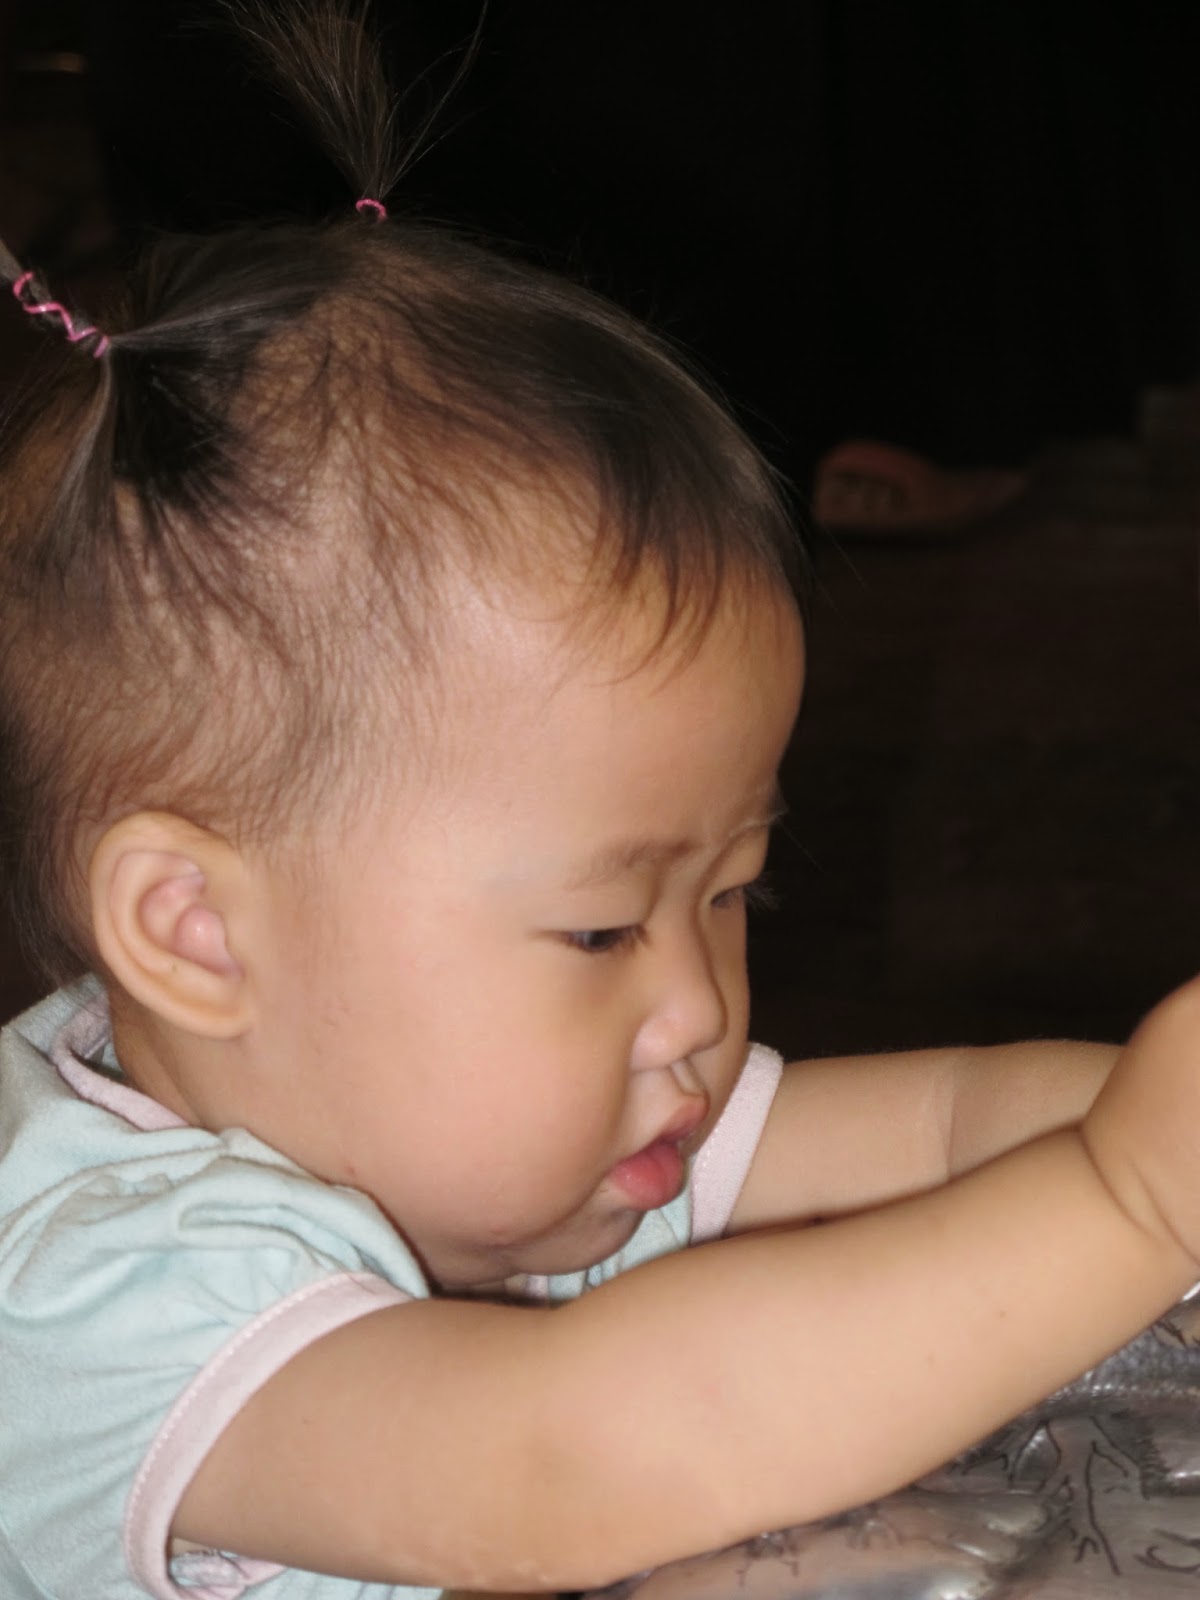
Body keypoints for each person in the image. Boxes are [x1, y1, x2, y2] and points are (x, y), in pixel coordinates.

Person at [3, 7, 1200, 1598]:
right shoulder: (94, 1297)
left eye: (733, 891)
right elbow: (577, 1459)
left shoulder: (526, 1129)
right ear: (196, 931)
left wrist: (1144, 1122)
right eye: (599, 929)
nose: (699, 1006)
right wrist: (1131, 1198)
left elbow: (949, 1130)